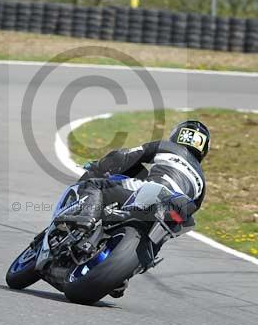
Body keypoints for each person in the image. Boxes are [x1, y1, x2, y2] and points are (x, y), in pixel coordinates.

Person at [61, 120, 211, 296]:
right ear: (204, 148)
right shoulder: (201, 181)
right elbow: (191, 211)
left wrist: (100, 166)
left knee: (95, 185)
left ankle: (86, 219)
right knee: (164, 233)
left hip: (151, 190)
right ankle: (127, 274)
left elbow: (125, 157)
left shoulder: (166, 146)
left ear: (177, 135)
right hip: (175, 207)